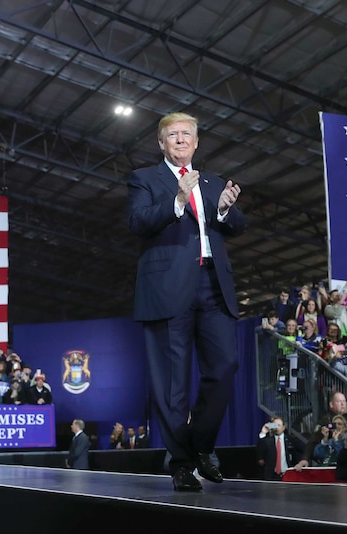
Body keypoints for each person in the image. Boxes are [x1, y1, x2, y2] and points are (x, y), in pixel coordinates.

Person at [127, 111, 246, 492]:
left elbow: (237, 225)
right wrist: (177, 200)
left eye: (187, 134)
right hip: (167, 290)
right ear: (161, 143)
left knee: (225, 366)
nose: (180, 140)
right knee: (172, 385)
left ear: (196, 143)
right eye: (172, 135)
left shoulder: (211, 182)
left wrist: (225, 207)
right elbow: (137, 222)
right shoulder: (145, 178)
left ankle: (200, 445)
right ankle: (181, 463)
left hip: (213, 285)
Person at [293, 391, 347, 471]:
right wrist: (305, 458)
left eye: (344, 401)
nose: (343, 404)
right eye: (339, 401)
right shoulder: (325, 420)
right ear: (331, 404)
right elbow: (313, 441)